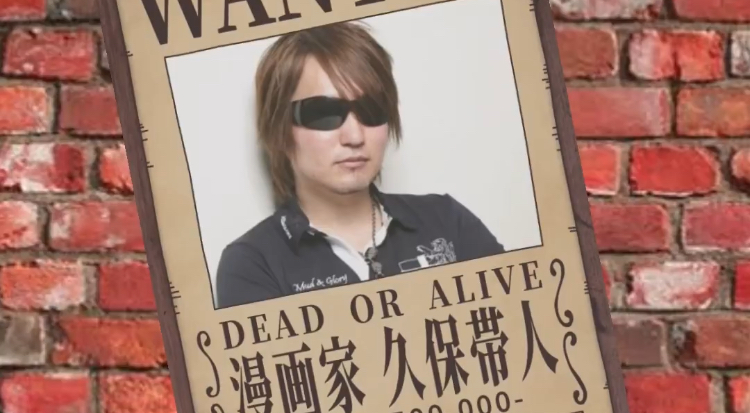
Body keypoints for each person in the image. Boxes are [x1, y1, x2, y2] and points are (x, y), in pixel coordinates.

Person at [215, 21, 504, 309]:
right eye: (323, 113)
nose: (354, 137)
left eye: (371, 109)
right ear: (279, 129)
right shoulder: (253, 263)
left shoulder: (446, 221)